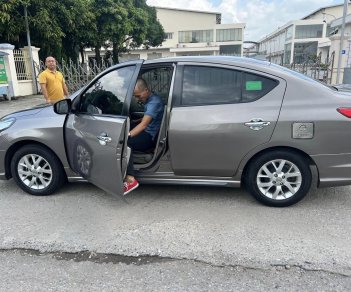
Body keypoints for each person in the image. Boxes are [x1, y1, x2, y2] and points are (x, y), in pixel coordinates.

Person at [124, 78, 164, 195]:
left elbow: (144, 125)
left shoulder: (154, 102)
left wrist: (128, 135)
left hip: (149, 137)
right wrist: (136, 121)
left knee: (126, 143)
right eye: (135, 97)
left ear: (146, 90)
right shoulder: (151, 98)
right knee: (130, 126)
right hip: (147, 131)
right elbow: (148, 117)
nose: (137, 99)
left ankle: (130, 179)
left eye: (138, 96)